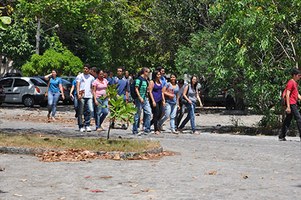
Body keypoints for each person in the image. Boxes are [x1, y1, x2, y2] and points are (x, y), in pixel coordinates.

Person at [279, 68, 301, 141]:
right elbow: (287, 95)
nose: (300, 77)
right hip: (291, 104)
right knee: (299, 118)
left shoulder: (295, 83)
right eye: (298, 75)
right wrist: (288, 107)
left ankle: (282, 136)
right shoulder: (291, 82)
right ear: (294, 75)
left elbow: (297, 95)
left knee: (288, 119)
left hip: (293, 103)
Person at [132, 67, 152, 135]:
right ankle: (135, 129)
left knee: (148, 112)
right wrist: (139, 97)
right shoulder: (138, 79)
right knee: (137, 114)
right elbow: (136, 88)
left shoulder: (146, 80)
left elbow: (147, 89)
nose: (149, 74)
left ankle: (147, 128)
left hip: (145, 98)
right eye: (148, 72)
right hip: (139, 99)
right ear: (144, 72)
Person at [76, 64, 95, 132]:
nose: (85, 70)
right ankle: (81, 126)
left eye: (87, 69)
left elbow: (92, 87)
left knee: (90, 110)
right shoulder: (80, 76)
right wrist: (78, 94)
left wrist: (93, 96)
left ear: (89, 70)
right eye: (84, 68)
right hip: (82, 96)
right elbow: (78, 85)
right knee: (80, 111)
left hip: (89, 95)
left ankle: (87, 124)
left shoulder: (92, 78)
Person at [149, 70, 165, 134]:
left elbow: (161, 91)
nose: (159, 76)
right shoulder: (152, 82)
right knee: (156, 114)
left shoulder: (160, 82)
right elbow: (150, 92)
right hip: (154, 99)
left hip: (160, 99)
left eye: (159, 74)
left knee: (160, 113)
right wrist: (153, 101)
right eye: (158, 74)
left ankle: (149, 124)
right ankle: (156, 129)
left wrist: (163, 100)